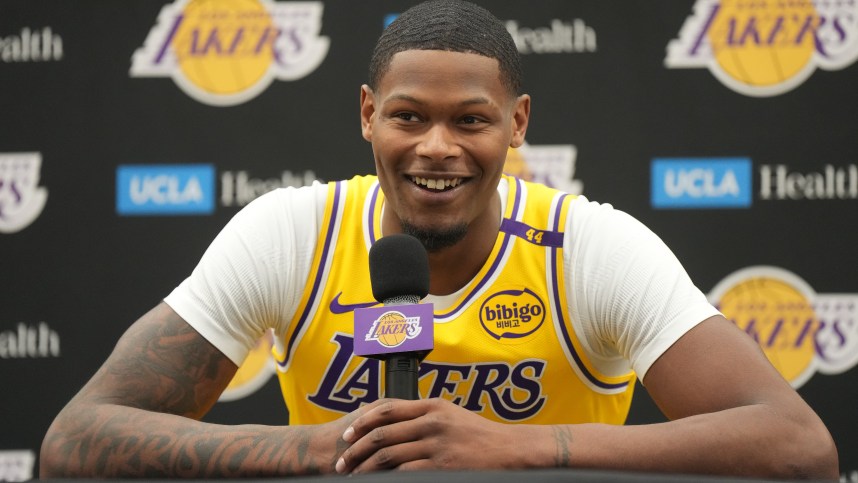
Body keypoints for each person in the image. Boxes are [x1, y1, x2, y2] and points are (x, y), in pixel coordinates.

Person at [41, 0, 838, 479]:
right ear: (366, 114)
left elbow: (799, 446)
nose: (435, 148)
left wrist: (522, 448)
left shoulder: (588, 247)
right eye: (408, 116)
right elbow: (75, 440)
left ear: (517, 123)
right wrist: (316, 451)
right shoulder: (294, 232)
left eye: (470, 120)